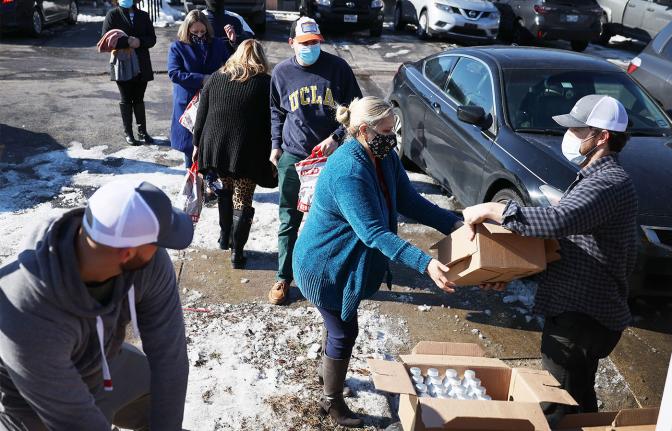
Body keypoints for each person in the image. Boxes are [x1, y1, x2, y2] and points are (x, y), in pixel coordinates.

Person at [462, 95, 639, 420]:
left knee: (557, 408)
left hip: (582, 317)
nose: (569, 136)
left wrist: (492, 208)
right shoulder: (596, 177)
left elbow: (557, 222)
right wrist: (506, 268)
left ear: (602, 137)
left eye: (577, 129)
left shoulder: (607, 183)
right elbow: (566, 240)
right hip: (580, 310)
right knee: (579, 399)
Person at [294, 96, 462, 427]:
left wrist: (452, 223)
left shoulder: (382, 156)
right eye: (386, 131)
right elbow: (373, 233)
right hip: (325, 268)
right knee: (344, 331)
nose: (392, 137)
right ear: (364, 130)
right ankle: (333, 402)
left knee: (337, 327)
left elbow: (410, 200)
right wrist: (425, 263)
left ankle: (325, 371)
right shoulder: (347, 171)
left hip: (344, 263)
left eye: (393, 129)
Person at [0, 179, 192, 430]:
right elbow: (73, 421)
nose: (160, 249)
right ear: (126, 253)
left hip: (102, 363)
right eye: (156, 244)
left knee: (161, 395)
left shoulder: (147, 262)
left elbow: (169, 355)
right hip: (35, 401)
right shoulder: (26, 312)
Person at [269, 16, 362, 305]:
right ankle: (283, 278)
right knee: (289, 217)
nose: (311, 47)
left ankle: (329, 275)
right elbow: (276, 111)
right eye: (305, 43)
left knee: (334, 218)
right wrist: (275, 146)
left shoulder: (338, 68)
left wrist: (336, 136)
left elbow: (356, 109)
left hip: (331, 159)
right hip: (294, 157)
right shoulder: (282, 73)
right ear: (291, 43)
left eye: (315, 42)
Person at [192, 40, 276, 269]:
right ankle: (237, 252)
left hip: (216, 147)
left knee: (224, 191)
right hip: (248, 151)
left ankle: (224, 236)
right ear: (260, 58)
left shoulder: (215, 78)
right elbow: (272, 120)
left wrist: (196, 144)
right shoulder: (266, 83)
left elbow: (201, 114)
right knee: (243, 198)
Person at [168, 10, 230, 169]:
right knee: (190, 147)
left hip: (213, 99)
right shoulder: (177, 47)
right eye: (195, 32)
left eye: (203, 31)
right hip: (188, 101)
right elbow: (174, 73)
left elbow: (229, 65)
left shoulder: (217, 43)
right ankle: (192, 181)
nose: (200, 35)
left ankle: (209, 183)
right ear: (187, 29)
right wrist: (202, 79)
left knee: (210, 143)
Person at [102, 0, 156, 146]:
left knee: (139, 98)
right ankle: (128, 132)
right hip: (123, 63)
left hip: (141, 63)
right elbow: (106, 39)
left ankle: (142, 131)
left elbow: (152, 38)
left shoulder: (143, 15)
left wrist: (140, 41)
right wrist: (127, 42)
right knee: (126, 98)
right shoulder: (112, 15)